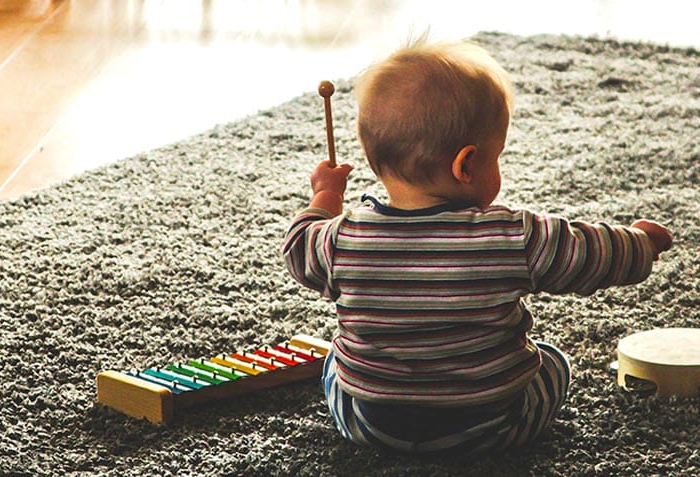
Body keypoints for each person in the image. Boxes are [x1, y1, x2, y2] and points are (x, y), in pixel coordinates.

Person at [282, 38, 672, 456]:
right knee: (554, 362)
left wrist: (325, 196)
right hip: (491, 427)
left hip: (373, 426)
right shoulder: (513, 236)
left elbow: (298, 246)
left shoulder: (341, 239)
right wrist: (642, 243)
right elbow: (589, 253)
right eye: (497, 156)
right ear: (465, 165)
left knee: (334, 365)